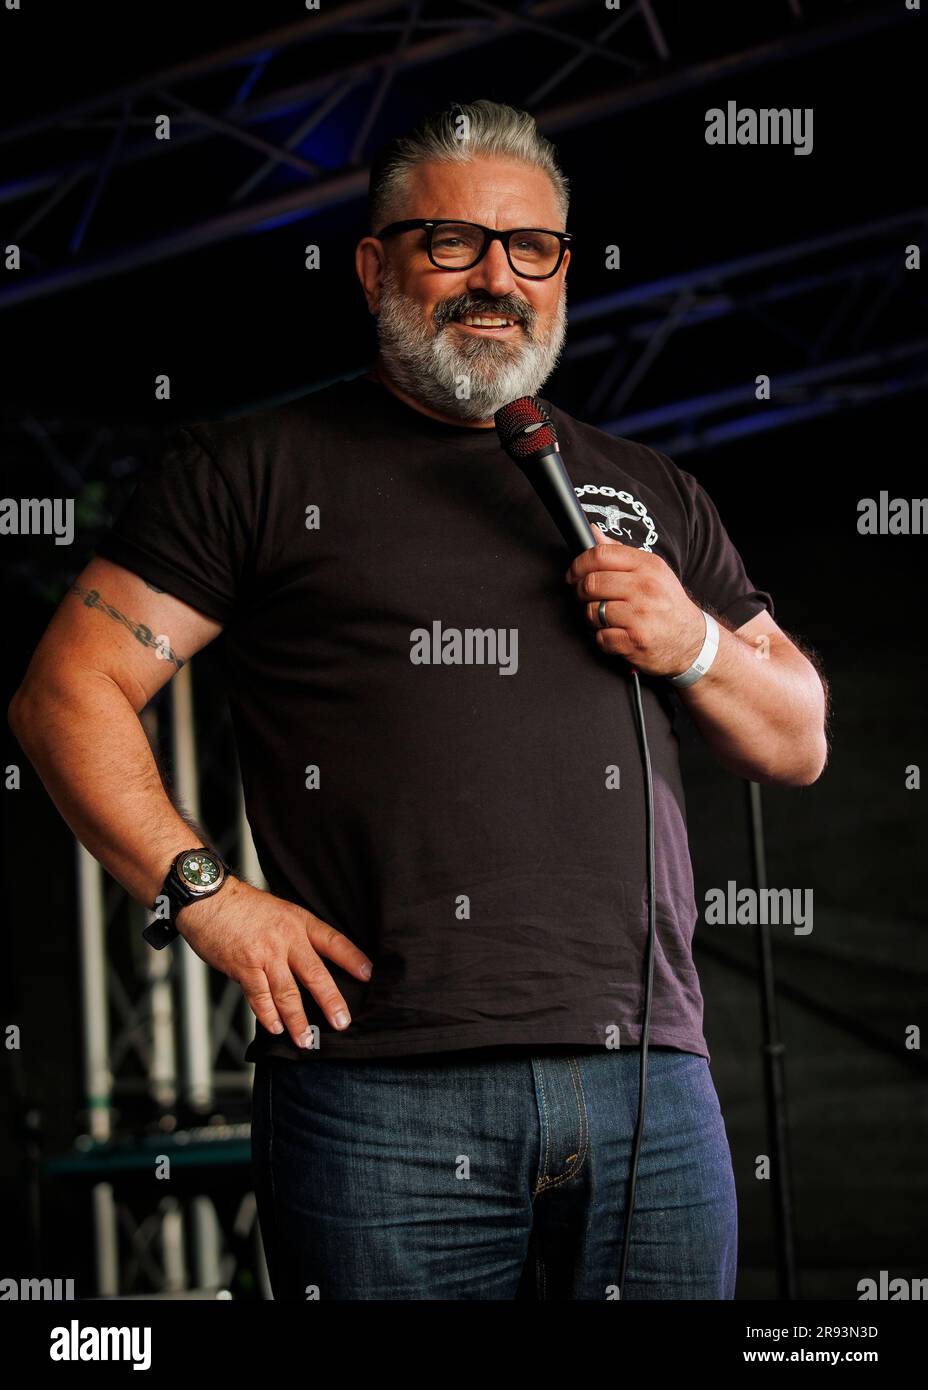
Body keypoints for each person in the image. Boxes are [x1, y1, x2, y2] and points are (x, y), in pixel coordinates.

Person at [8, 100, 828, 1301]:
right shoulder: (254, 470)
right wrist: (208, 898)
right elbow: (63, 691)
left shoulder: (647, 488)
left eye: (529, 247)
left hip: (649, 1084)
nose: (496, 276)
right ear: (373, 263)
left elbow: (797, 733)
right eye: (452, 241)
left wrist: (694, 639)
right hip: (374, 1096)